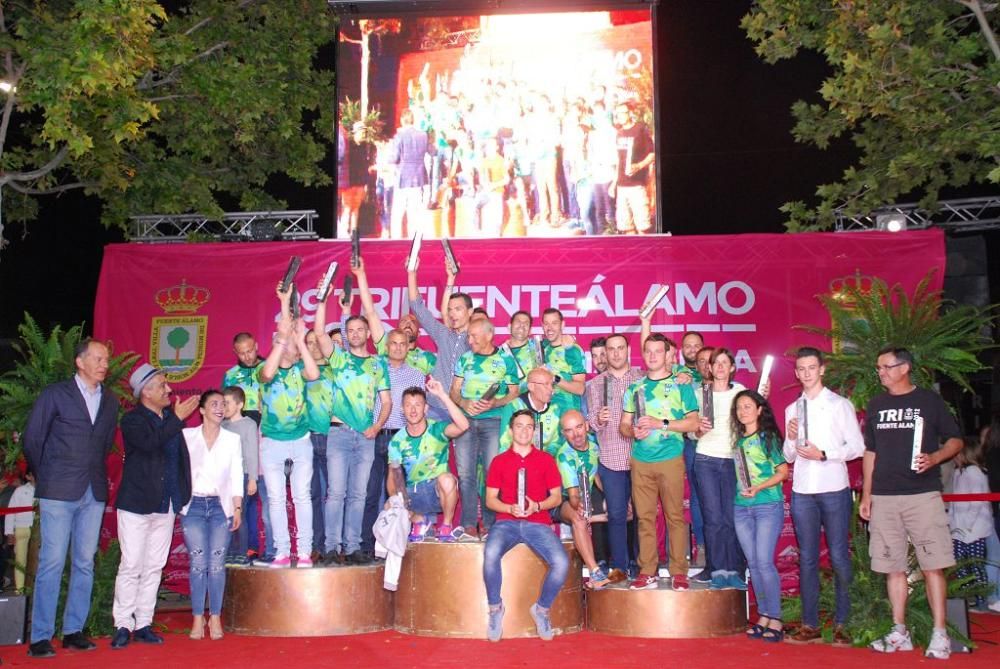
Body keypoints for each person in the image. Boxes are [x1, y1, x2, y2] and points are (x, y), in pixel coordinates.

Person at [860, 347, 963, 659]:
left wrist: (934, 458)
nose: (881, 372)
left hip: (922, 495)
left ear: (904, 368)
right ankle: (899, 631)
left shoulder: (929, 402)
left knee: (933, 565)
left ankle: (940, 634)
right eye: (878, 367)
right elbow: (870, 452)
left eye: (886, 367)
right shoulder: (876, 405)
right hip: (884, 496)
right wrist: (867, 494)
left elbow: (956, 441)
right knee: (892, 567)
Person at [22, 339, 119, 658]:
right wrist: (44, 474)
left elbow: (104, 445)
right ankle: (40, 635)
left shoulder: (110, 401)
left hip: (92, 490)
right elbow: (33, 438)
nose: (105, 363)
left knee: (84, 562)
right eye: (98, 358)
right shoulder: (55, 394)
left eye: (106, 359)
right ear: (80, 362)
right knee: (51, 561)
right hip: (57, 490)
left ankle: (73, 631)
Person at [111, 363, 199, 650]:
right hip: (137, 504)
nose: (169, 389)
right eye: (162, 385)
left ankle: (144, 623)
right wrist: (176, 418)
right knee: (132, 564)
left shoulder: (170, 420)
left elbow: (179, 460)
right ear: (146, 392)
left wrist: (183, 494)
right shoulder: (133, 420)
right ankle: (123, 623)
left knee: (153, 567)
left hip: (167, 503)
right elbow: (150, 444)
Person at [783, 347, 865, 646]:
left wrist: (825, 454)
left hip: (833, 487)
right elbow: (788, 457)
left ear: (822, 369)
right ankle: (810, 624)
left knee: (840, 556)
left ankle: (844, 623)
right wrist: (791, 439)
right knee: (806, 558)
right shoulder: (793, 409)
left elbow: (857, 447)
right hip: (803, 489)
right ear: (796, 372)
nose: (806, 373)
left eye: (811, 367)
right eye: (801, 368)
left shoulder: (839, 404)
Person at [315, 293, 391, 565]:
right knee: (336, 493)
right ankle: (332, 548)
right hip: (338, 433)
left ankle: (354, 547)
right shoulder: (339, 359)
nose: (356, 334)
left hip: (366, 437)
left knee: (359, 494)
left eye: (360, 329)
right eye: (351, 330)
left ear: (368, 332)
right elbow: (320, 335)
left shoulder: (378, 364)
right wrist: (322, 302)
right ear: (346, 334)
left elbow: (387, 401)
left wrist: (377, 426)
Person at [620, 333, 699, 591]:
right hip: (641, 461)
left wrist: (660, 423)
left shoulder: (681, 385)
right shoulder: (635, 388)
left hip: (671, 459)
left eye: (658, 351)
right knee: (644, 518)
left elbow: (693, 422)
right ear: (643, 355)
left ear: (668, 355)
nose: (653, 356)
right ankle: (648, 571)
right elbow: (624, 425)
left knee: (674, 516)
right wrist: (634, 431)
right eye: (648, 351)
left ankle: (678, 572)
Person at [483, 409, 569, 642]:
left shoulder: (546, 460)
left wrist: (537, 506)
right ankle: (495, 609)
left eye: (529, 426)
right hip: (506, 523)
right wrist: (509, 508)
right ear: (510, 431)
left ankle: (541, 609)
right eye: (519, 426)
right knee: (490, 553)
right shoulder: (499, 461)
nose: (524, 430)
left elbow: (557, 498)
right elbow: (491, 500)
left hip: (537, 523)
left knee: (561, 563)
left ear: (534, 430)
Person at [257, 286, 321, 568]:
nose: (289, 345)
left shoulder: (299, 370)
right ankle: (282, 550)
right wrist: (283, 337)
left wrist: (300, 340)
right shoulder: (265, 371)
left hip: (300, 440)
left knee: (301, 496)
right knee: (275, 498)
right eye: (283, 343)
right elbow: (268, 372)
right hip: (272, 442)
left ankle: (304, 551)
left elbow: (314, 372)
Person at [180, 390, 243, 641]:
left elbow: (237, 474)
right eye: (214, 404)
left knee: (216, 565)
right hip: (193, 506)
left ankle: (215, 616)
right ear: (202, 410)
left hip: (221, 508)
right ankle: (197, 617)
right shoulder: (186, 436)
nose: (220, 408)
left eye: (223, 404)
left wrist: (237, 507)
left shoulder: (232, 440)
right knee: (198, 564)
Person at [450, 318, 521, 539]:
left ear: (489, 335)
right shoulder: (464, 359)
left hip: (493, 422)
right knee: (465, 473)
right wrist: (463, 403)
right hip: (465, 421)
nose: (469, 340)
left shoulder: (506, 360)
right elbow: (454, 391)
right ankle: (469, 523)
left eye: (473, 336)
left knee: (493, 472)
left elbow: (514, 392)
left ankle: (491, 523)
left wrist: (495, 403)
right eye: (468, 336)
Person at [732, 389, 789, 643]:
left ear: (759, 410)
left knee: (764, 562)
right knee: (753, 564)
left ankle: (775, 618)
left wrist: (759, 488)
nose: (742, 411)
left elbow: (782, 472)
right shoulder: (737, 442)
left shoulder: (768, 438)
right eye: (738, 407)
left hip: (767, 505)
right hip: (741, 508)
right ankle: (764, 614)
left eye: (747, 406)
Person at [586, 333, 643, 580]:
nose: (616, 353)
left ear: (628, 350)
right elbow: (591, 422)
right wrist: (597, 420)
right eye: (611, 349)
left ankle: (643, 567)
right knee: (617, 515)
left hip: (643, 456)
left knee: (644, 515)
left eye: (621, 348)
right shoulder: (596, 384)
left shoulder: (642, 378)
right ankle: (620, 566)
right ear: (605, 353)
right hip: (611, 458)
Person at [690, 347, 746, 588]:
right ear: (709, 368)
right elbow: (691, 431)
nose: (721, 367)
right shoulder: (699, 393)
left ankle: (734, 570)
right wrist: (697, 431)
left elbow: (751, 422)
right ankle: (716, 570)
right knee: (712, 518)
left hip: (734, 459)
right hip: (706, 459)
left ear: (732, 367)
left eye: (725, 362)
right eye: (716, 363)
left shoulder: (742, 392)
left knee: (731, 518)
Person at [388, 380, 468, 541]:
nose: (413, 409)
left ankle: (445, 527)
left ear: (425, 408)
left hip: (437, 492)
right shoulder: (397, 440)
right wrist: (399, 503)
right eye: (408, 405)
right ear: (402, 409)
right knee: (389, 504)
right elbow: (393, 478)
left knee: (446, 479)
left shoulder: (437, 429)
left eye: (418, 405)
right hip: (414, 495)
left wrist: (442, 395)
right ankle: (419, 521)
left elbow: (463, 425)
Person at [407, 256, 472, 420]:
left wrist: (451, 279)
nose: (452, 313)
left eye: (458, 309)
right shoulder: (443, 334)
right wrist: (411, 272)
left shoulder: (476, 340)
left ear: (470, 312)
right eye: (450, 310)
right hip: (436, 408)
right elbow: (417, 307)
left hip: (463, 410)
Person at [554, 410, 613, 588]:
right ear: (564, 434)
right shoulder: (565, 456)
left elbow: (596, 475)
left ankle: (626, 565)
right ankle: (595, 572)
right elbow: (572, 496)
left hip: (587, 493)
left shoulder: (595, 445)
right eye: (569, 430)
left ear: (587, 426)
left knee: (621, 509)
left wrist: (613, 499)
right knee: (579, 518)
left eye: (579, 427)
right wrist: (582, 509)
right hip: (561, 500)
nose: (576, 434)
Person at [949, 437, 992, 611]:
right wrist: (952, 524)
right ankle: (966, 598)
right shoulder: (958, 472)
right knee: (959, 565)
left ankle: (982, 600)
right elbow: (953, 502)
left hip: (974, 529)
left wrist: (967, 525)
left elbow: (977, 502)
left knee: (975, 565)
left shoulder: (975, 472)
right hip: (959, 529)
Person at [303, 329, 335, 561]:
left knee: (335, 495)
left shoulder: (337, 370)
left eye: (316, 342)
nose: (313, 347)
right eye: (308, 343)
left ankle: (335, 545)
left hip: (333, 437)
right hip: (307, 438)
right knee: (313, 494)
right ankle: (317, 544)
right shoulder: (300, 372)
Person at [221, 387, 260, 567]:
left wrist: (252, 478)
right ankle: (228, 552)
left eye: (227, 402)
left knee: (240, 514)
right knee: (226, 515)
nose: (224, 406)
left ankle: (242, 552)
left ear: (240, 404)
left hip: (242, 476)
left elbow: (252, 453)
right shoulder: (222, 424)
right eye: (223, 402)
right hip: (224, 477)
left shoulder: (248, 424)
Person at [499, 367, 564, 456]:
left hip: (544, 461)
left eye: (552, 385)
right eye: (546, 384)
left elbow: (556, 443)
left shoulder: (555, 409)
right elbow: (504, 444)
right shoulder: (513, 408)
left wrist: (543, 459)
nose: (551, 389)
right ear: (531, 387)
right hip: (517, 461)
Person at [611, 102, 654, 234]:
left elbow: (653, 154)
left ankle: (647, 254)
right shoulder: (619, 133)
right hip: (622, 186)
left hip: (637, 185)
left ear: (630, 113)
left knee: (643, 227)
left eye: (623, 113)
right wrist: (614, 183)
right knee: (626, 227)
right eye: (618, 114)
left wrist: (639, 166)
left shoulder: (640, 129)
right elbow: (619, 160)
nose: (620, 116)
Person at [389, 108, 432, 238]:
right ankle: (414, 243)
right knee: (414, 213)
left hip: (402, 178)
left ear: (402, 120)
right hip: (418, 178)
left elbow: (394, 158)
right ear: (413, 120)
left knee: (398, 213)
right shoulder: (423, 135)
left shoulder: (399, 136)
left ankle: (396, 243)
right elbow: (433, 151)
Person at [539, 309, 586, 412]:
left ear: (562, 325)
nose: (549, 328)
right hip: (545, 414)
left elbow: (580, 389)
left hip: (567, 413)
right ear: (542, 326)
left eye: (554, 323)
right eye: (546, 324)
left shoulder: (573, 350)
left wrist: (554, 378)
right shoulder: (542, 347)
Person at [221, 332, 264, 424]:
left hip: (268, 425)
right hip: (240, 425)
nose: (247, 357)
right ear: (235, 352)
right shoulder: (230, 375)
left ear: (256, 346)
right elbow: (225, 405)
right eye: (242, 354)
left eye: (250, 351)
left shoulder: (270, 368)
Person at [5, 472, 35, 593]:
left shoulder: (46, 490)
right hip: (21, 528)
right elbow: (10, 511)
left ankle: (33, 590)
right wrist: (9, 532)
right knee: (20, 561)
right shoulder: (20, 490)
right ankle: (20, 590)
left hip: (38, 530)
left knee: (37, 560)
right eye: (33, 473)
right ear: (28, 476)